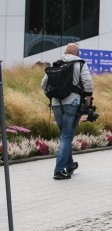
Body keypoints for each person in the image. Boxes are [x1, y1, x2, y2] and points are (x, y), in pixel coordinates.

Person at [40, 43, 93, 180]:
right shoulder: (80, 63)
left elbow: (43, 84)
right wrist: (87, 98)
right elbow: (87, 82)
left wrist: (51, 96)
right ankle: (58, 170)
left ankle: (69, 166)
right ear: (78, 53)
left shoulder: (57, 63)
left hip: (56, 104)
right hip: (73, 103)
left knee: (64, 135)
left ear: (65, 52)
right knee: (66, 136)